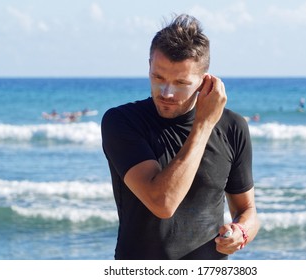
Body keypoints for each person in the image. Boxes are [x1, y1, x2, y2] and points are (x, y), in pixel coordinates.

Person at [101, 14, 259, 260]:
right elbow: (162, 202)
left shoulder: (232, 126)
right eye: (158, 77)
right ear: (149, 65)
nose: (166, 92)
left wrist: (241, 232)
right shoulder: (122, 122)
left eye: (180, 82)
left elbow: (247, 210)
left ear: (205, 81)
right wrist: (203, 125)